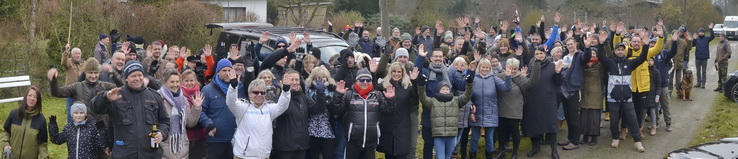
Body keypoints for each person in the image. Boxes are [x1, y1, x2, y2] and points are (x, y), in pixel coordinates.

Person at [91, 60, 171, 158]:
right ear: (126, 78)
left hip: (150, 154)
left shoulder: (154, 96)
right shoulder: (116, 95)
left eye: (140, 75)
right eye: (133, 76)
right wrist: (106, 98)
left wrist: (162, 133)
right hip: (124, 154)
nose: (137, 78)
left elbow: (165, 121)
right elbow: (95, 108)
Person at [594, 31, 649, 152]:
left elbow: (642, 58)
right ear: (615, 51)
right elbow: (601, 57)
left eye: (622, 50)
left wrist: (645, 45)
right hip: (613, 99)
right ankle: (615, 138)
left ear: (625, 51)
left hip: (627, 98)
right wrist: (601, 44)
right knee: (614, 121)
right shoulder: (610, 63)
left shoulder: (629, 63)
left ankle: (637, 142)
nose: (620, 52)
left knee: (633, 120)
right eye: (618, 50)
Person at [331, 68, 396, 159]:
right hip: (352, 141)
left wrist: (391, 99)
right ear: (356, 81)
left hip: (371, 142)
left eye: (368, 80)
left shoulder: (377, 95)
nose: (365, 82)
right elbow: (336, 110)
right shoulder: (349, 95)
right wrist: (338, 95)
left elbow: (388, 111)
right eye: (362, 80)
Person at [226, 72, 292, 159]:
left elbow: (282, 106)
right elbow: (231, 102)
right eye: (256, 92)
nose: (259, 95)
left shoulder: (268, 109)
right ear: (249, 94)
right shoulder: (242, 108)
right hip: (243, 156)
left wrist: (286, 91)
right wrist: (233, 87)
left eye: (262, 93)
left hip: (264, 156)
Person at [416, 66, 475, 159]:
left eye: (447, 89)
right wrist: (421, 85)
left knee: (448, 156)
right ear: (439, 90)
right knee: (440, 156)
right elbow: (422, 97)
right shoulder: (433, 101)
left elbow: (467, 96)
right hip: (438, 135)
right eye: (443, 89)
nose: (445, 91)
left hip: (451, 134)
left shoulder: (456, 101)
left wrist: (469, 84)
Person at [271, 69, 326, 158]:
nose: (295, 82)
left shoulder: (303, 98)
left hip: (301, 146)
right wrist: (285, 90)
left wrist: (321, 94)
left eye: (297, 80)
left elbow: (319, 110)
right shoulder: (279, 99)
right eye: (291, 80)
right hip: (284, 147)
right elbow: (282, 112)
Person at [49, 58, 117, 124]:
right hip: (82, 128)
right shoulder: (77, 87)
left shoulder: (104, 86)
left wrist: (113, 74)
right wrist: (53, 80)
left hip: (101, 128)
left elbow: (123, 89)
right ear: (85, 72)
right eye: (90, 72)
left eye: (96, 73)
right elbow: (57, 92)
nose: (93, 76)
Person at [468, 58, 513, 158]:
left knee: (489, 137)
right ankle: (472, 155)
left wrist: (508, 77)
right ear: (479, 68)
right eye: (483, 67)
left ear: (490, 68)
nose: (485, 69)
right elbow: (467, 95)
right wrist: (471, 110)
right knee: (475, 137)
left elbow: (506, 88)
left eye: (487, 67)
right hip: (476, 112)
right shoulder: (474, 78)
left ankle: (489, 155)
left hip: (491, 112)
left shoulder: (494, 78)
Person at [523, 47, 563, 159]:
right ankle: (535, 147)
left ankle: (554, 150)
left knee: (551, 125)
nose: (539, 56)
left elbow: (558, 83)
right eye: (537, 54)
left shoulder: (552, 65)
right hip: (533, 99)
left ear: (545, 54)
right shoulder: (531, 65)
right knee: (533, 125)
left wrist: (558, 73)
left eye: (541, 53)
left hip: (548, 100)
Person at [496, 57, 540, 159]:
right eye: (510, 68)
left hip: (515, 111)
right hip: (502, 110)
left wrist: (536, 65)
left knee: (515, 133)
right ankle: (501, 151)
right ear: (506, 67)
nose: (512, 71)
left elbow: (533, 82)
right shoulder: (499, 77)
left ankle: (514, 153)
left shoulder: (521, 78)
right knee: (501, 133)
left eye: (515, 68)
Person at [157, 70, 204, 159]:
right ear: (165, 82)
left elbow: (190, 123)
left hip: (182, 148)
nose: (175, 85)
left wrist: (196, 108)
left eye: (177, 81)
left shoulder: (183, 99)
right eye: (172, 82)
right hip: (164, 148)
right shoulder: (158, 97)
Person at [198, 59, 239, 159]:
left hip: (236, 138)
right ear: (218, 72)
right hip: (216, 139)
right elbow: (201, 111)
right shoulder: (207, 90)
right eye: (224, 71)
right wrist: (208, 124)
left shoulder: (239, 88)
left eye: (229, 70)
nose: (227, 73)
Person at [377, 63, 418, 159]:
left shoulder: (407, 87)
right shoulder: (383, 86)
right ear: (390, 73)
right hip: (388, 125)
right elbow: (374, 90)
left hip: (402, 126)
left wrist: (415, 81)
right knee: (389, 154)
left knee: (401, 154)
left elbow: (416, 96)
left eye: (399, 71)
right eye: (394, 71)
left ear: (403, 73)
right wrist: (373, 73)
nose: (396, 74)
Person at [1, 87, 49, 159]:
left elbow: (42, 144)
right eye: (30, 95)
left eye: (35, 97)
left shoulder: (41, 119)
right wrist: (5, 144)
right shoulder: (14, 114)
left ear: (38, 100)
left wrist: (45, 157)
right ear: (26, 97)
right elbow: (6, 132)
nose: (32, 98)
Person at [305, 67, 338, 159]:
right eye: (318, 78)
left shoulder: (332, 90)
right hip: (312, 129)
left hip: (328, 130)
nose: (321, 80)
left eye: (323, 78)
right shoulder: (308, 90)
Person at [180, 70, 208, 158]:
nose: (189, 83)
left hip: (200, 135)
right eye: (186, 81)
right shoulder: (179, 95)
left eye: (191, 80)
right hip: (185, 136)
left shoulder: (201, 93)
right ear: (182, 82)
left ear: (196, 81)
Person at [580, 46, 604, 146]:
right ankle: (585, 135)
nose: (592, 55)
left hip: (596, 92)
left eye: (594, 53)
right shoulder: (582, 64)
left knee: (595, 116)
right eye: (590, 53)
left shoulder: (601, 65)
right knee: (584, 115)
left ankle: (594, 137)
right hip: (585, 92)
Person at [691, 23, 715, 88]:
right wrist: (694, 39)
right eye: (700, 32)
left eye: (702, 32)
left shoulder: (707, 39)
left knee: (704, 71)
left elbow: (712, 37)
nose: (701, 33)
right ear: (698, 33)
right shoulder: (697, 39)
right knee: (698, 71)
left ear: (704, 33)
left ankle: (703, 83)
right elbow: (693, 45)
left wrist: (711, 29)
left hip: (704, 58)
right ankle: (698, 82)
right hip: (698, 58)